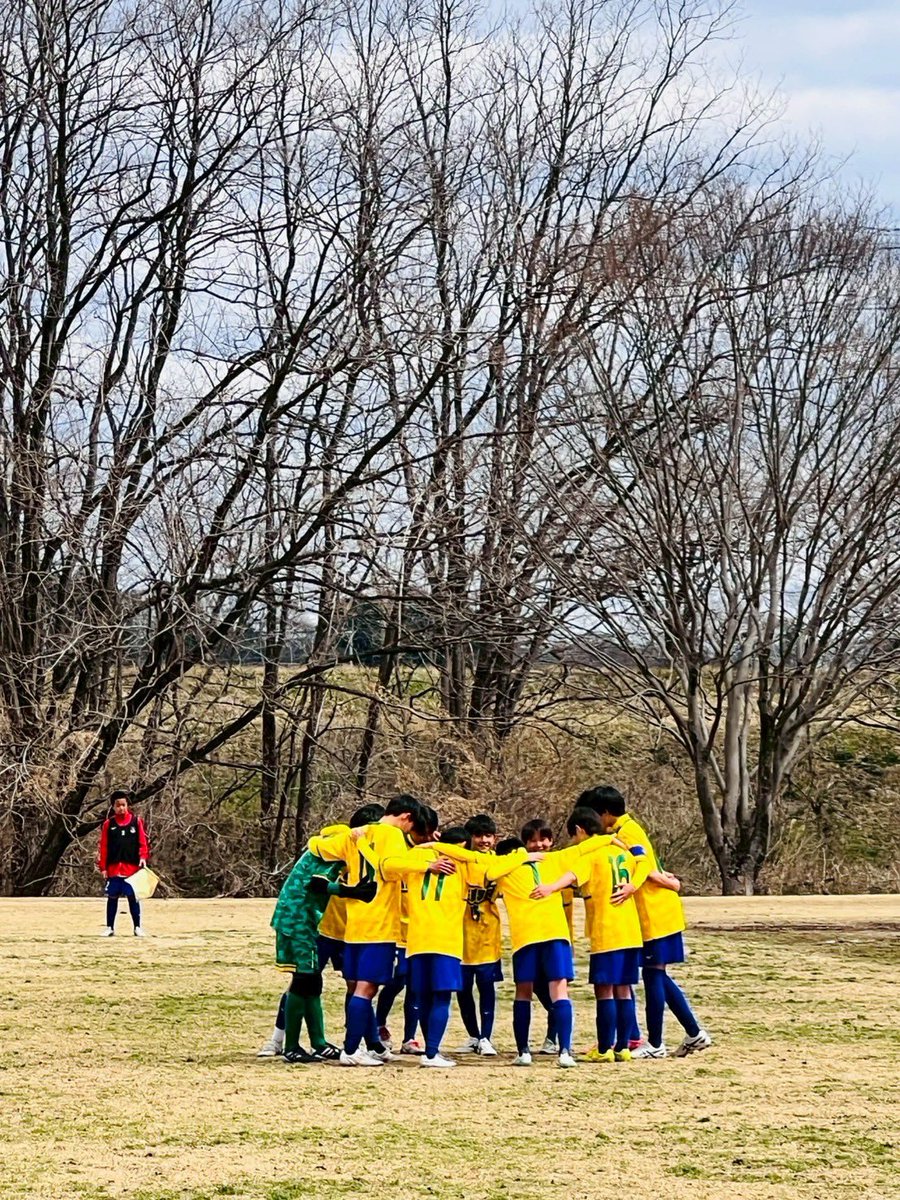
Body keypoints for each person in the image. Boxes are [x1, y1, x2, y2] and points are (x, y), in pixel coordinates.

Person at [579, 785, 712, 1058]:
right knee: (656, 974)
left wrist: (636, 886)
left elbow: (645, 867)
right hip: (651, 913)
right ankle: (693, 1032)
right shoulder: (620, 832)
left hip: (655, 912)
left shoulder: (628, 832)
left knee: (653, 975)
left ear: (605, 813)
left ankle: (655, 1044)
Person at [257, 805, 385, 1058]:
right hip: (299, 917)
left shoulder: (341, 844)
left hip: (306, 918)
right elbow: (317, 883)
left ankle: (319, 1042)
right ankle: (291, 1046)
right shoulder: (341, 845)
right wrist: (352, 891)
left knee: (312, 982)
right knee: (303, 981)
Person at [308, 794, 425, 1066]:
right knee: (366, 990)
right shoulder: (393, 836)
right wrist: (424, 865)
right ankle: (350, 1051)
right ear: (406, 817)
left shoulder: (355, 834)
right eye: (411, 825)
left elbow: (316, 847)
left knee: (357, 987)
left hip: (354, 927)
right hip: (380, 926)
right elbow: (390, 868)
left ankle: (368, 1045)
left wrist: (344, 835)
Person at [532, 808, 649, 1062]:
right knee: (624, 990)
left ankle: (605, 1048)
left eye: (574, 837)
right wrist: (633, 885)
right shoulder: (623, 851)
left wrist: (549, 887)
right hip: (631, 930)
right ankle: (624, 1047)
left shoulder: (591, 854)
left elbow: (572, 876)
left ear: (579, 831)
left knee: (604, 991)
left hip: (607, 931)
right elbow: (644, 859)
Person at [456, 814, 502, 1056]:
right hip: (461, 931)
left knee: (486, 986)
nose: (484, 840)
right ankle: (473, 1035)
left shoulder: (500, 862)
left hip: (487, 931)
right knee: (462, 988)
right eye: (478, 836)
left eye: (488, 836)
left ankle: (486, 1036)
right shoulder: (461, 861)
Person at [520, 819, 561, 1054]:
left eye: (543, 839)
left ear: (551, 840)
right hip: (531, 937)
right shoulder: (521, 866)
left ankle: (552, 1038)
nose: (539, 845)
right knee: (536, 986)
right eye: (533, 840)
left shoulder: (558, 864)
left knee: (557, 988)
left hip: (557, 936)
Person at [97, 791, 150, 937]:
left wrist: (143, 857)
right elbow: (103, 846)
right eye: (118, 805)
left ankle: (137, 927)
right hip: (114, 868)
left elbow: (142, 843)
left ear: (127, 805)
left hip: (131, 868)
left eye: (124, 805)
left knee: (133, 897)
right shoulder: (109, 824)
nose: (121, 808)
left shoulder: (135, 821)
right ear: (113, 807)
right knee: (112, 897)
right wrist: (103, 867)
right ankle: (110, 927)